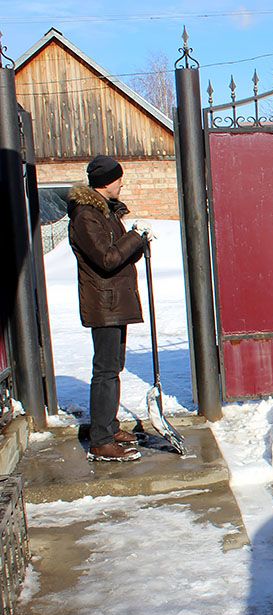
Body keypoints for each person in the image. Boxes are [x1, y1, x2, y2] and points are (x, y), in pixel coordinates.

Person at [68, 156, 155, 462]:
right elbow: (105, 259)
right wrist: (132, 237)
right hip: (104, 304)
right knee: (105, 371)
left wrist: (139, 241)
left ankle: (108, 426)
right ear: (106, 181)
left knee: (113, 368)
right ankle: (101, 440)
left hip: (115, 301)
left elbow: (119, 255)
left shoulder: (105, 213)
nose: (122, 183)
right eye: (118, 178)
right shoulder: (86, 216)